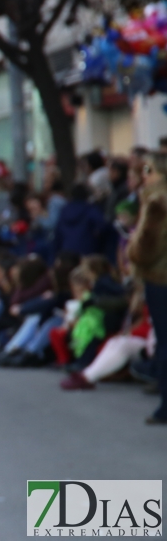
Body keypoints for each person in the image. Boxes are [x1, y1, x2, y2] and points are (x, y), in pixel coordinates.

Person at [127, 152, 167, 424]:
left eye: (148, 170)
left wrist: (132, 252)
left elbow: (145, 248)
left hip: (160, 277)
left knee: (165, 342)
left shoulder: (156, 202)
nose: (144, 176)